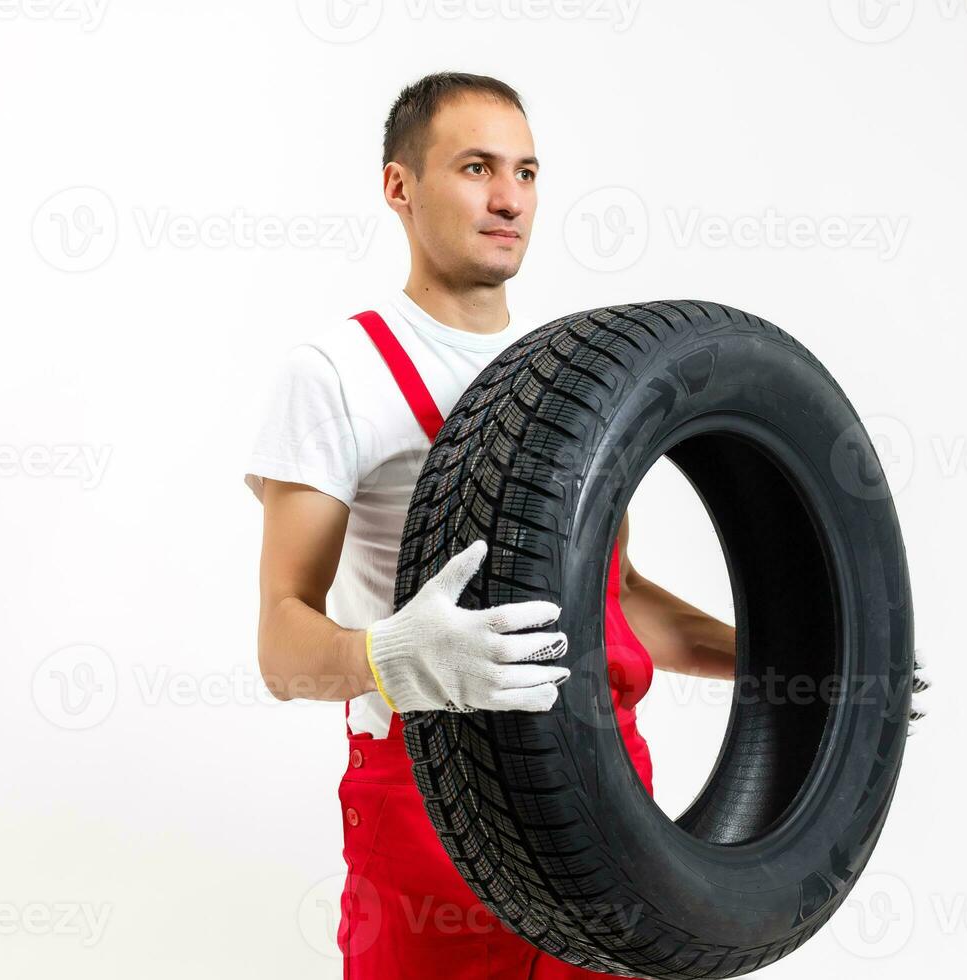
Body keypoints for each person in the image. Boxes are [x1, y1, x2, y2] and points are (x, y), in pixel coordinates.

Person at [244, 72, 738, 979]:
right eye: (476, 168)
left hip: (604, 791)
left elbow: (617, 599)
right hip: (429, 792)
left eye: (527, 172)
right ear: (400, 187)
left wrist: (797, 659)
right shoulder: (337, 373)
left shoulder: (582, 375)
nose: (509, 198)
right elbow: (282, 645)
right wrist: (391, 657)